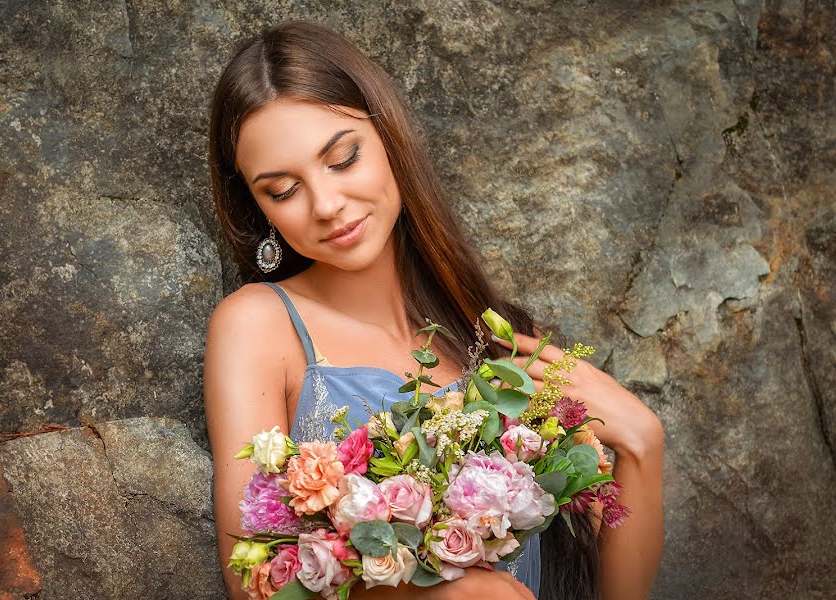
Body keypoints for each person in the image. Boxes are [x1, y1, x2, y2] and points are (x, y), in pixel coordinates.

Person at [203, 20, 663, 600]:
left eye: (342, 158)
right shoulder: (259, 325)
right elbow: (253, 581)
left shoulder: (502, 342)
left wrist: (643, 444)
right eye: (283, 190)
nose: (326, 204)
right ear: (258, 207)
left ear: (391, 138)